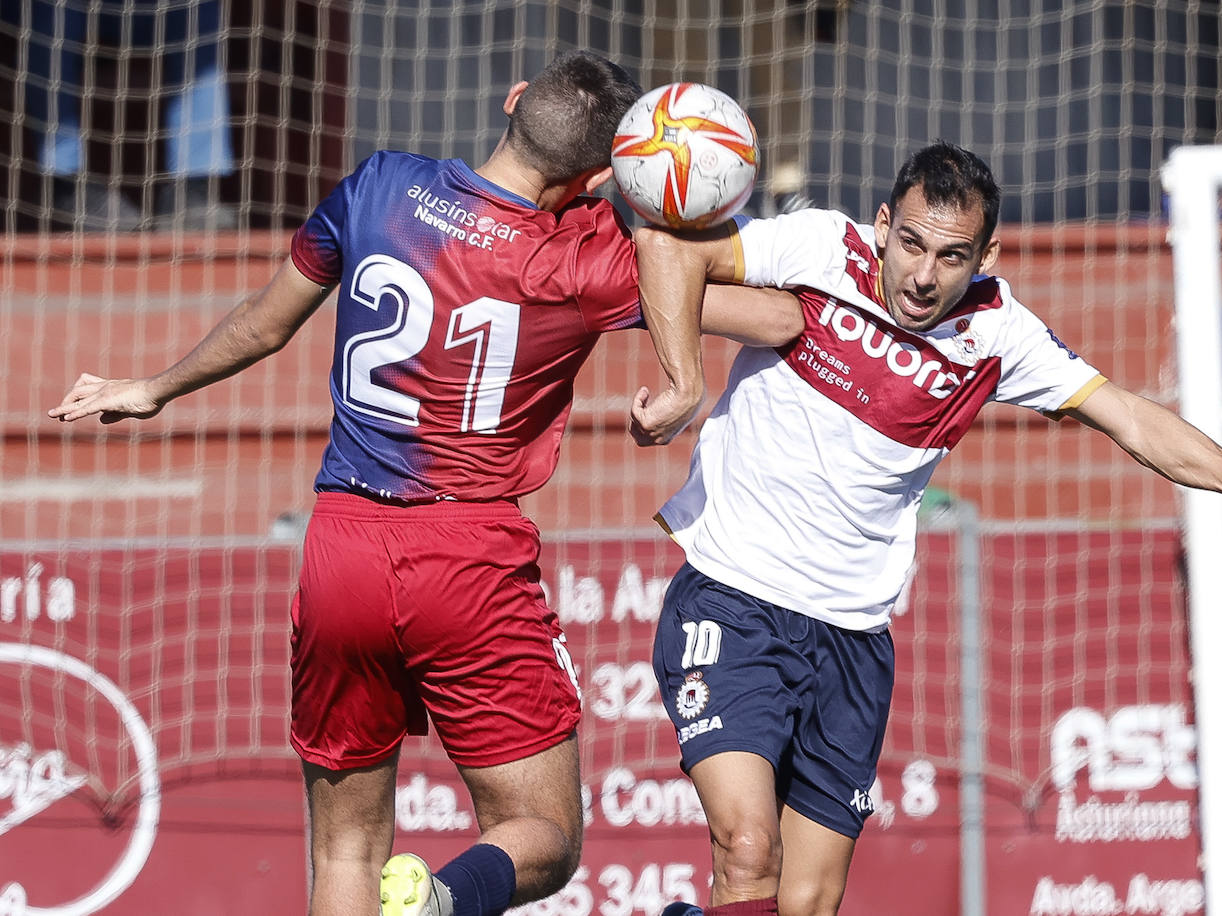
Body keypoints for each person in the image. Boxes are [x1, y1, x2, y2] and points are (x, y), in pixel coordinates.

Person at [48, 51, 798, 916]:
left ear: (511, 99)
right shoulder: (587, 257)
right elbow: (776, 317)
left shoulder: (378, 185)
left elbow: (264, 323)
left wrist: (154, 387)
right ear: (597, 177)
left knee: (346, 847)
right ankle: (440, 901)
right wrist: (665, 233)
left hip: (340, 545)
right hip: (465, 554)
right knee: (543, 836)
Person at [630, 141, 1222, 916]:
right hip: (734, 598)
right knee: (747, 847)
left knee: (807, 901)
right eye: (910, 243)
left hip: (853, 638)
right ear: (884, 224)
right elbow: (661, 246)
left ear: (985, 256)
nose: (923, 275)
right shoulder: (822, 246)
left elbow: (1128, 416)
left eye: (951, 257)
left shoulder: (996, 334)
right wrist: (689, 374)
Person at [20, 0, 234, 230]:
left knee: (198, 7)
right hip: (64, 10)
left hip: (148, 9)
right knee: (49, 9)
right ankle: (66, 187)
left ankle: (192, 192)